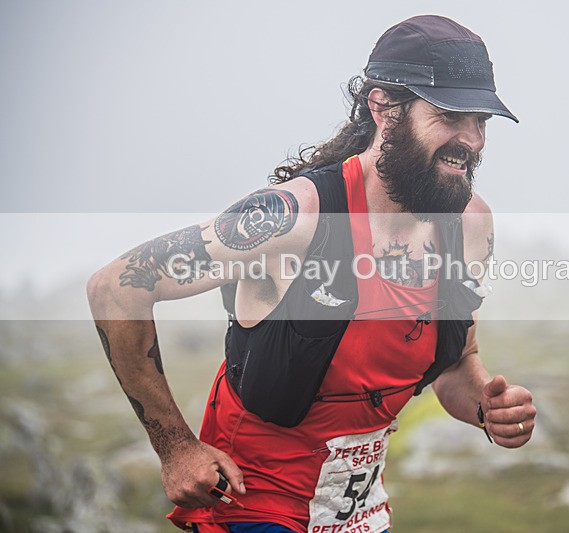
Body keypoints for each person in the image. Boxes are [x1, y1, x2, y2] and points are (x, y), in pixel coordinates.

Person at [87, 14, 536, 533]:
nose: (473, 140)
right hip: (252, 506)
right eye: (450, 116)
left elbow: (457, 363)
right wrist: (175, 447)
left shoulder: (468, 223)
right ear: (384, 109)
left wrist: (487, 404)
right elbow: (115, 287)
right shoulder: (295, 219)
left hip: (359, 516)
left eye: (481, 120)